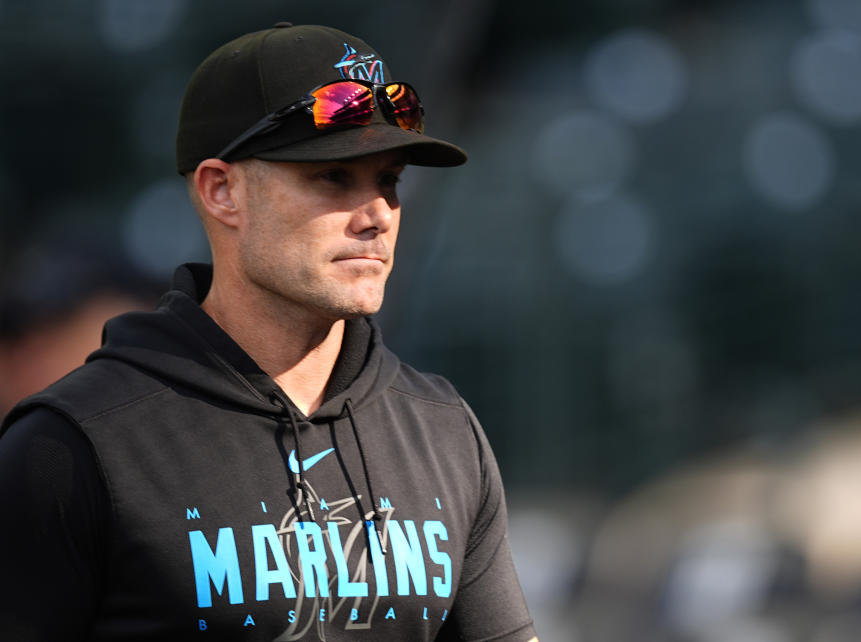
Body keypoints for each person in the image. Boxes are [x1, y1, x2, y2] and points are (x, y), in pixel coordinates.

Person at [0, 23, 538, 642]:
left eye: (388, 180)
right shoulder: (70, 448)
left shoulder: (444, 429)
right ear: (222, 191)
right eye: (333, 178)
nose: (378, 216)